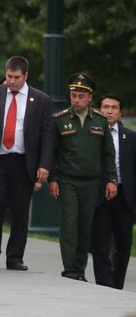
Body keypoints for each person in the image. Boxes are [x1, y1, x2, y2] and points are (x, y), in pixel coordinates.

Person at [0, 56, 53, 271]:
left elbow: (47, 135)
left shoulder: (41, 99)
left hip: (24, 162)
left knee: (20, 210)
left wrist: (44, 164)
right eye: (9, 76)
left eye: (16, 77)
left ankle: (15, 257)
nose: (12, 81)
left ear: (26, 76)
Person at [48, 74, 117, 281]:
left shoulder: (100, 120)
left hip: (92, 181)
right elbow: (51, 152)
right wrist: (52, 179)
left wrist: (112, 180)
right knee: (70, 225)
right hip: (68, 180)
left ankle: (79, 269)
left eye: (80, 96)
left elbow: (108, 154)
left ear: (89, 98)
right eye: (73, 95)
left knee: (85, 226)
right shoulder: (59, 120)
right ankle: (70, 270)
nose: (76, 99)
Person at [92, 94, 136, 289]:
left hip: (124, 195)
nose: (109, 111)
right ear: (99, 110)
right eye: (106, 107)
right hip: (100, 195)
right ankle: (103, 283)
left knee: (124, 244)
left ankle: (116, 284)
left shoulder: (131, 137)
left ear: (120, 112)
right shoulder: (92, 135)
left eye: (114, 108)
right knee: (100, 242)